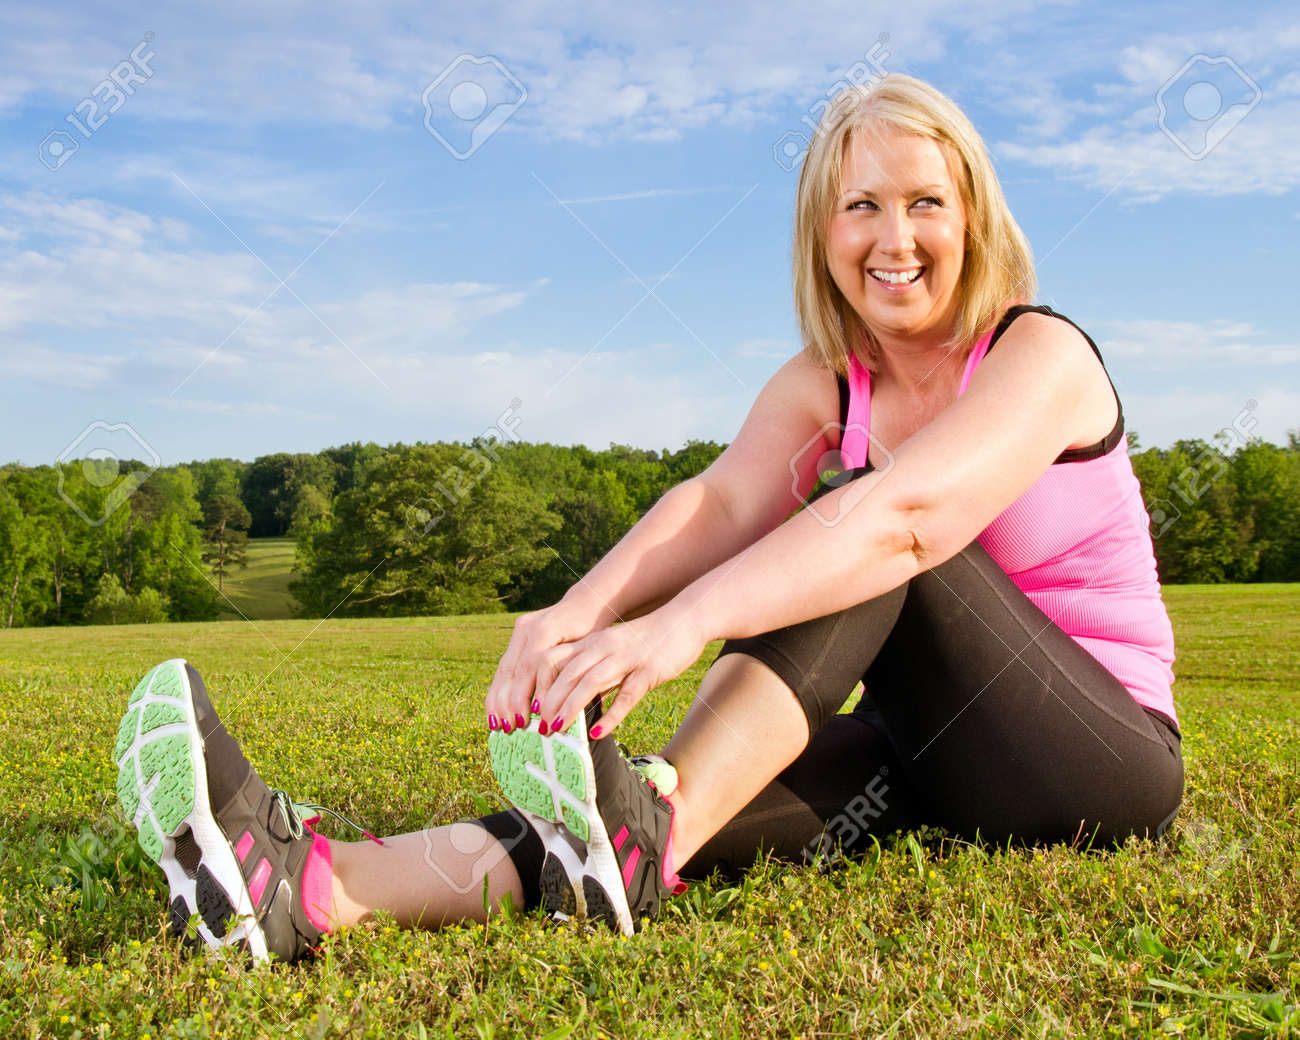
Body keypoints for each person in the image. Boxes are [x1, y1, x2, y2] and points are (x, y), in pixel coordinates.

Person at [113, 73, 1183, 963]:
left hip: (1098, 759)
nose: (890, 236)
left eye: (924, 203)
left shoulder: (1040, 356)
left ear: (974, 218)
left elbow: (906, 521)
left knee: (855, 524)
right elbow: (717, 500)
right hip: (931, 760)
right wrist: (576, 612)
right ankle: (307, 884)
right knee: (633, 818)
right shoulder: (826, 384)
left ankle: (640, 823)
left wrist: (674, 629)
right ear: (821, 228)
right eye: (860, 205)